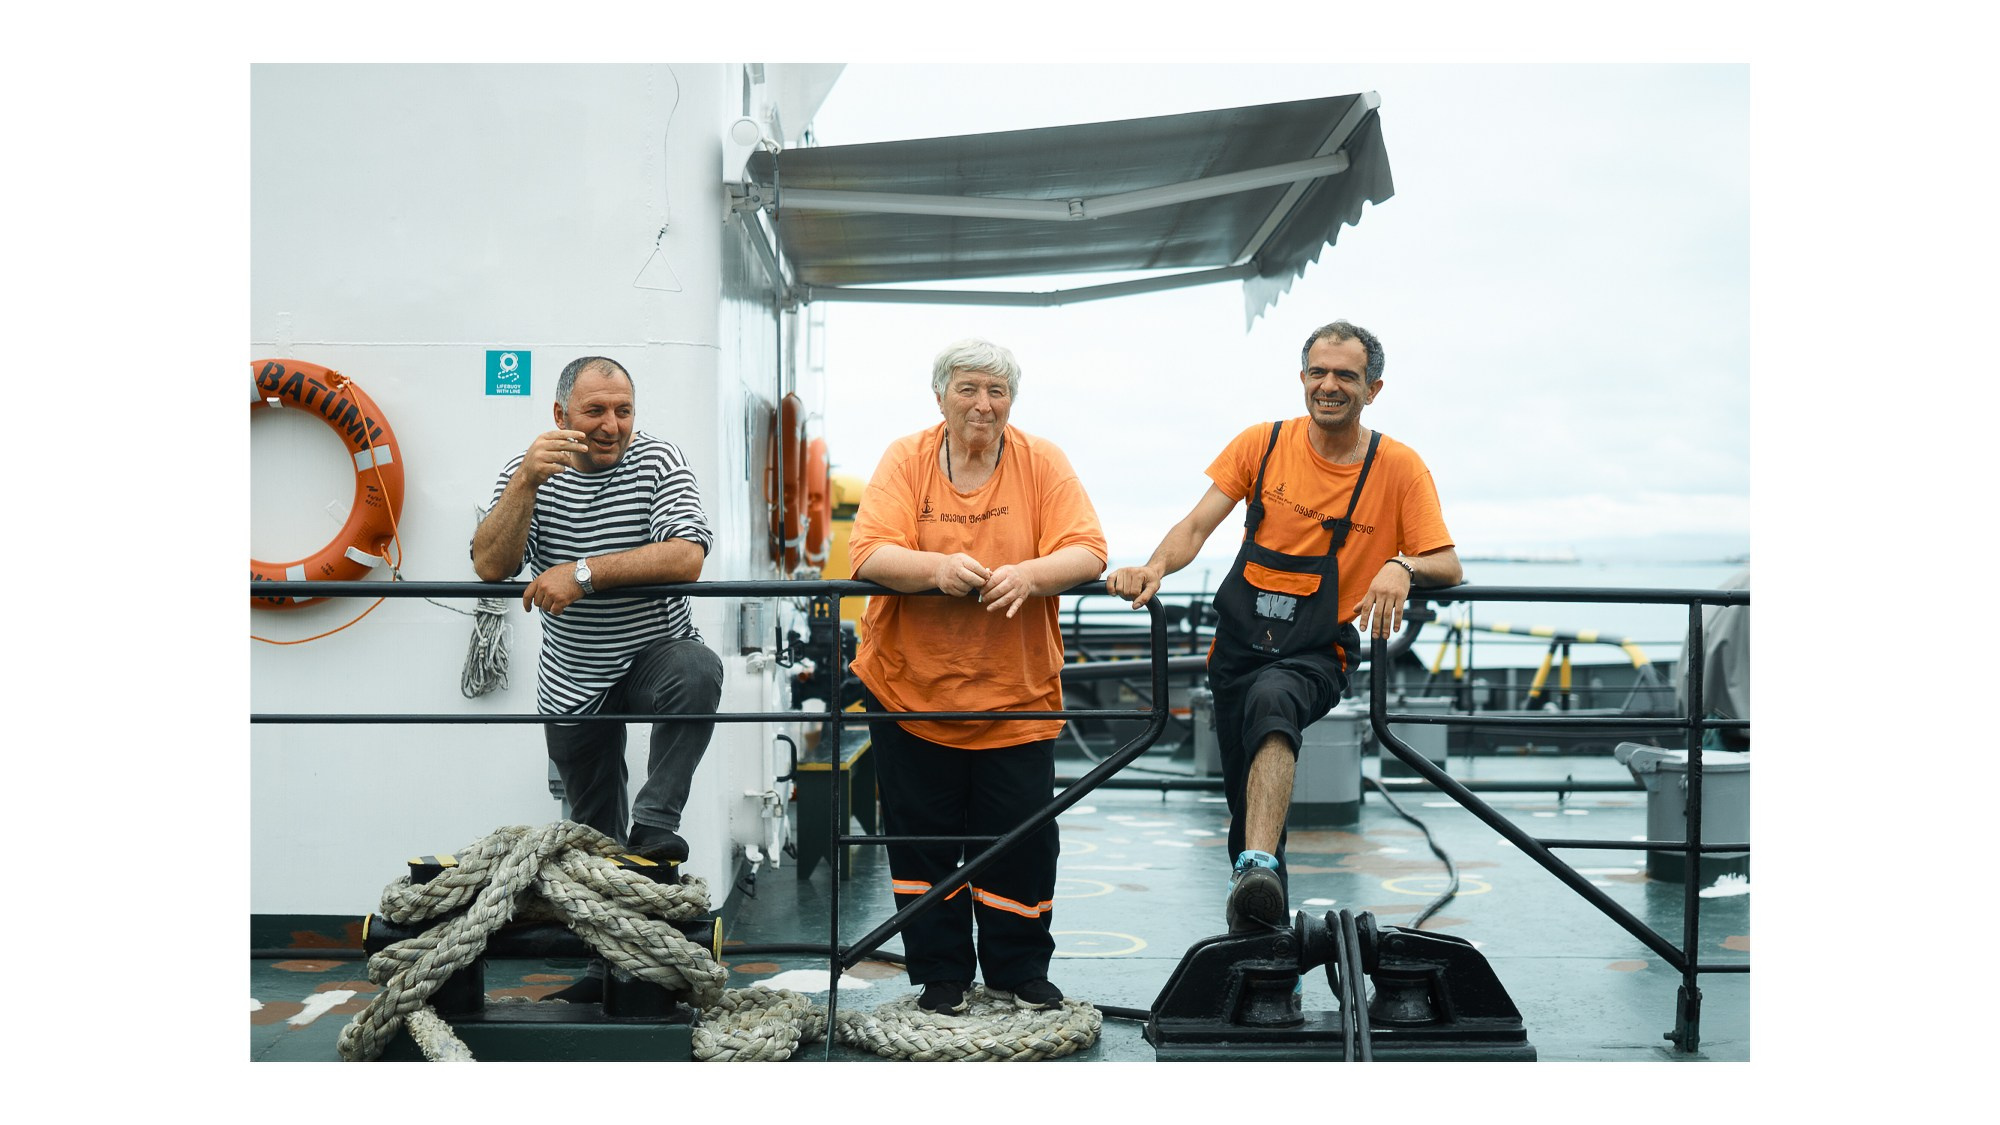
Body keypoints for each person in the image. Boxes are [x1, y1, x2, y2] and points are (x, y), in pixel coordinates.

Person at [1107, 321, 1461, 933]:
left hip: (1317, 653)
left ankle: (1258, 865)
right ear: (1302, 379)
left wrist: (1401, 565)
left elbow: (1448, 564)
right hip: (1238, 648)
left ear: (1372, 389)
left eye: (1346, 375)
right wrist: (1154, 567)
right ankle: (1264, 943)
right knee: (1244, 799)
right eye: (1318, 373)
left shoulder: (1397, 467)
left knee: (1276, 704)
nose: (1329, 385)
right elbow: (1195, 528)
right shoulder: (1261, 445)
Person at [847, 339, 1108, 1016]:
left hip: (1015, 694)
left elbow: (1088, 549)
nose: (982, 404)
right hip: (910, 690)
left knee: (1021, 841)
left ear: (1011, 402)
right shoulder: (906, 459)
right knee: (922, 839)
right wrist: (936, 570)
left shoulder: (1041, 460)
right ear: (940, 397)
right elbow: (869, 551)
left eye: (996, 392)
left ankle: (1021, 970)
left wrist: (1030, 573)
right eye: (968, 389)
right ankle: (941, 974)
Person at [470, 356, 725, 868]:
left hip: (652, 658)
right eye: (595, 411)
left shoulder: (658, 460)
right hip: (572, 676)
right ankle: (606, 932)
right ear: (560, 415)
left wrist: (581, 575)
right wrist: (525, 482)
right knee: (594, 837)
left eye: (623, 411)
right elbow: (491, 567)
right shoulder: (526, 475)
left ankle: (655, 823)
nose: (612, 427)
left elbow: (687, 555)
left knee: (697, 669)